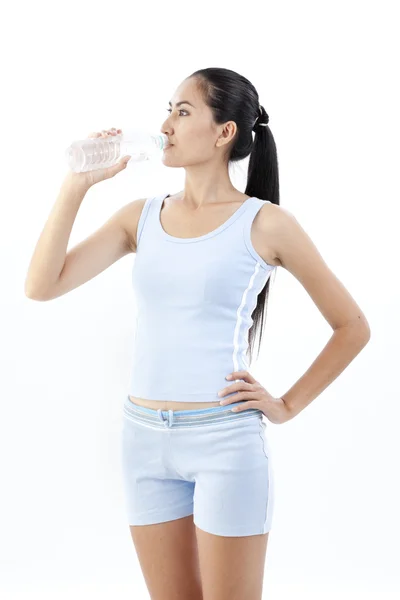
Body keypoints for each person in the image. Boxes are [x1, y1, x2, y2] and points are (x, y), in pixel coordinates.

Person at [25, 67, 370, 600]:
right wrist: (77, 185)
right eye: (168, 109)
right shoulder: (139, 217)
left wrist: (285, 405)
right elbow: (41, 286)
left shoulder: (265, 223)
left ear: (223, 132)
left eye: (182, 112)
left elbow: (352, 326)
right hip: (142, 440)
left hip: (224, 442)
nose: (165, 125)